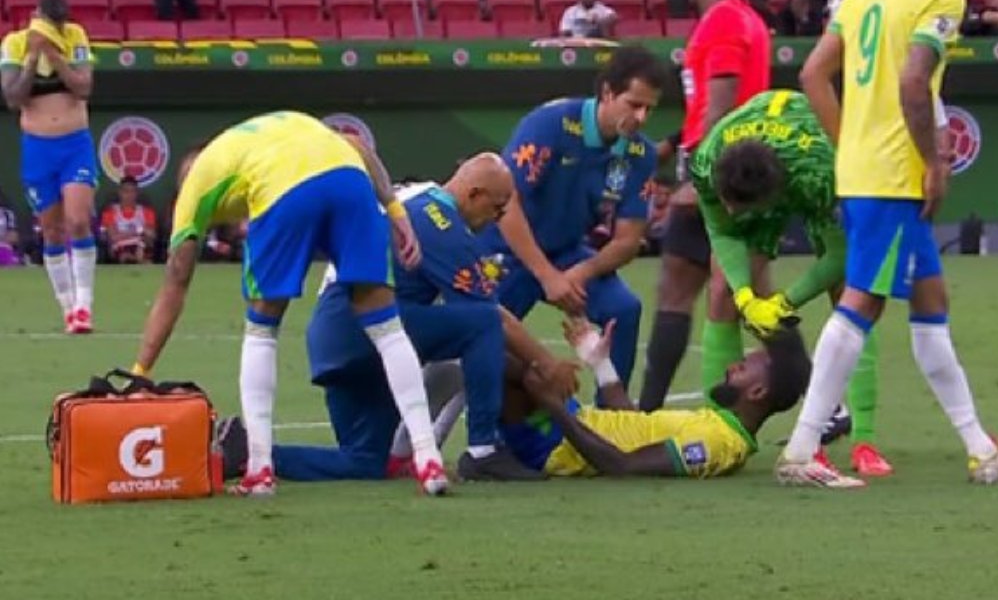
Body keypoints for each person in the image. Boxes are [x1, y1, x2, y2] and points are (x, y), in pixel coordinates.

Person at [786, 0, 998, 488]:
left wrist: (851, 144)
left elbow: (813, 73)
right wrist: (932, 161)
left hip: (868, 168)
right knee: (864, 301)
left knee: (930, 303)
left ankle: (981, 448)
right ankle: (800, 449)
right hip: (896, 174)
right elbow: (913, 80)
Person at [130, 111, 448, 497]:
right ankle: (428, 461)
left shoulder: (194, 187)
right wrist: (396, 212)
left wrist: (140, 369)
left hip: (285, 190)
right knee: (386, 327)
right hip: (350, 179)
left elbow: (175, 285)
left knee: (262, 329)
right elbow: (359, 146)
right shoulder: (266, 131)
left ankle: (259, 470)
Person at [237, 154, 580, 484]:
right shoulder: (443, 224)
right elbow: (494, 319)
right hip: (359, 327)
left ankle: (244, 454)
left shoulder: (415, 198)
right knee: (482, 323)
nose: (498, 218)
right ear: (475, 194)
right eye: (496, 207)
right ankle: (482, 450)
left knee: (365, 461)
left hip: (332, 339)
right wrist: (546, 363)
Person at [691, 89, 893, 476]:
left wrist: (785, 302)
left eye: (741, 207)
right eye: (727, 201)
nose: (731, 211)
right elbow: (723, 232)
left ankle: (864, 439)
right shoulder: (707, 160)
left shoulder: (820, 173)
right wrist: (748, 296)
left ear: (774, 198)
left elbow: (841, 255)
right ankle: (718, 430)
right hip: (758, 153)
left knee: (851, 292)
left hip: (812, 159)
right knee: (721, 291)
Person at [638, 0, 770, 412]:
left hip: (725, 179)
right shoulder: (745, 20)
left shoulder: (722, 24)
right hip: (724, 169)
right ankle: (647, 412)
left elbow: (721, 107)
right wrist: (673, 144)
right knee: (686, 286)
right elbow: (704, 111)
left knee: (740, 293)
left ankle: (825, 401)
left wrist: (697, 182)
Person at [485, 47, 664, 393]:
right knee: (483, 331)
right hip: (506, 249)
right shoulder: (551, 124)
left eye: (650, 109)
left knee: (624, 310)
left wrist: (579, 273)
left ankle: (613, 422)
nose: (641, 117)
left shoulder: (641, 154)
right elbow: (505, 204)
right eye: (634, 104)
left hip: (566, 253)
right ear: (608, 93)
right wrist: (546, 275)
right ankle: (481, 437)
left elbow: (628, 240)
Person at [503, 316, 809, 478]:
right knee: (500, 340)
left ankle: (481, 454)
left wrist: (552, 404)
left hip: (553, 445)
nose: (731, 366)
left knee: (499, 350)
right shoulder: (719, 424)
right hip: (570, 422)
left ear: (757, 392)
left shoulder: (716, 443)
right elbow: (635, 426)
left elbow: (623, 465)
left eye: (742, 367)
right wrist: (600, 363)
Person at [0, 0, 96, 334]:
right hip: (38, 146)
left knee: (78, 220)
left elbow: (84, 87)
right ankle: (67, 306)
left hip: (74, 143)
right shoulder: (14, 43)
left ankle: (85, 305)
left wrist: (55, 56)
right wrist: (32, 58)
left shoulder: (74, 37)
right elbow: (13, 97)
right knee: (52, 229)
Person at [101, 175, 156, 265]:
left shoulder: (146, 212)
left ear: (137, 193)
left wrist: (126, 234)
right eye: (126, 191)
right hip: (120, 248)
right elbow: (114, 237)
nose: (129, 195)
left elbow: (151, 235)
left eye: (132, 191)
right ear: (120, 192)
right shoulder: (110, 212)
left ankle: (137, 260)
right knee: (124, 257)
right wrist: (139, 231)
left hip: (140, 247)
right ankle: (135, 260)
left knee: (144, 253)